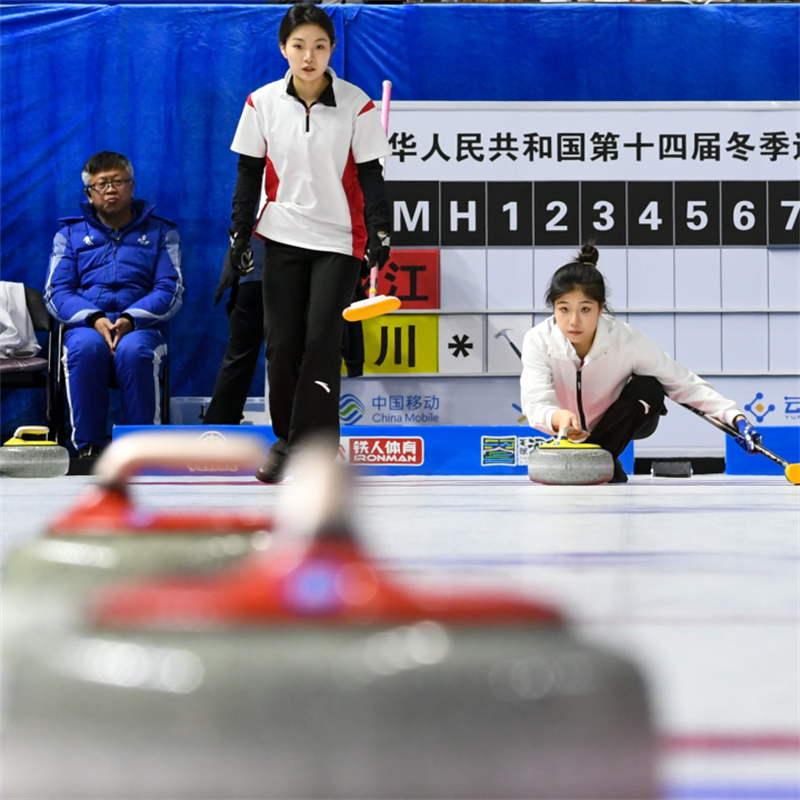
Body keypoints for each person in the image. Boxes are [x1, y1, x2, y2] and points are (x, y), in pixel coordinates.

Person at [226, 2, 391, 482]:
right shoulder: (261, 103)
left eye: (319, 46)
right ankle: (292, 439)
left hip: (340, 239)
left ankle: (304, 448)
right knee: (281, 345)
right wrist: (239, 232)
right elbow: (248, 172)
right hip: (282, 233)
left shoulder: (357, 104)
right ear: (283, 48)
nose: (309, 56)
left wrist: (381, 231)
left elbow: (371, 176)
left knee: (321, 342)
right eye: (298, 46)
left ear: (332, 49)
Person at [520, 244, 761, 483]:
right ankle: (603, 461)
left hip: (619, 425)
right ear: (553, 308)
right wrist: (557, 417)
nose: (574, 321)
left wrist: (736, 418)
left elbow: (683, 382)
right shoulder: (538, 340)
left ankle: (598, 458)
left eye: (585, 309)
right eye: (564, 309)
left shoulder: (626, 339)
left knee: (649, 386)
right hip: (565, 431)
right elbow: (534, 402)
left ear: (601, 308)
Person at [44, 151, 184, 457]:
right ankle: (89, 448)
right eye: (102, 184)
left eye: (118, 182)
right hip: (86, 326)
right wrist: (94, 318)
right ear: (89, 194)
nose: (110, 190)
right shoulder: (68, 236)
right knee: (84, 348)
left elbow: (170, 289)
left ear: (132, 187)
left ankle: (142, 449)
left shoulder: (163, 232)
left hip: (142, 328)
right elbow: (57, 291)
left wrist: (130, 319)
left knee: (134, 352)